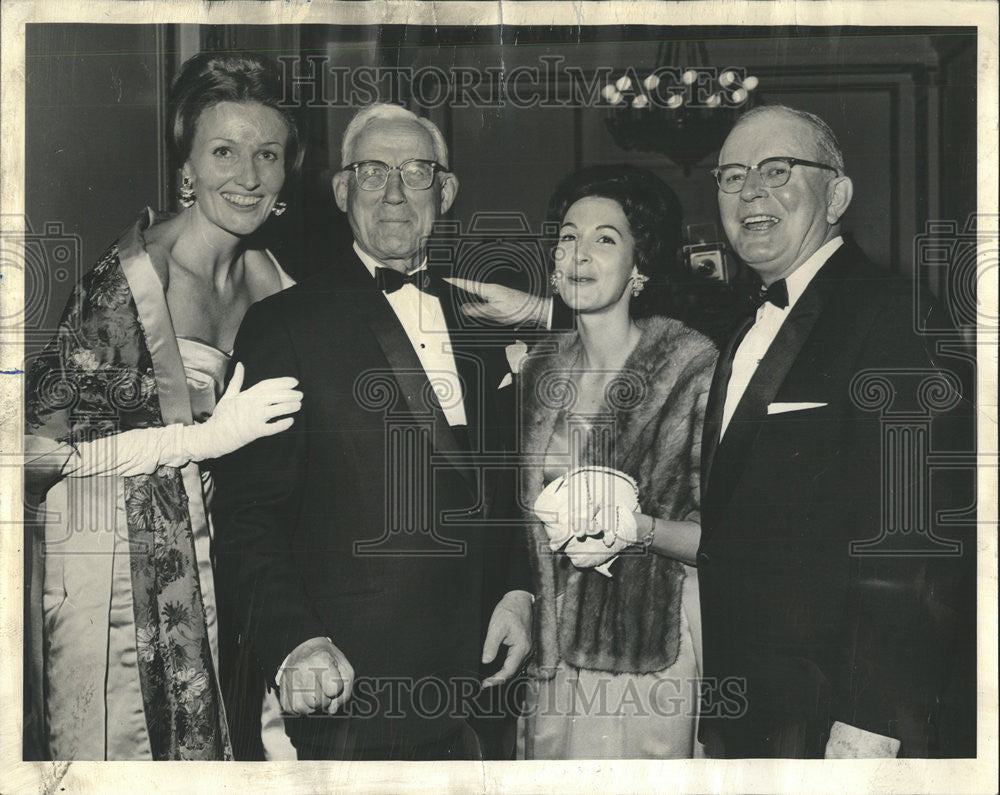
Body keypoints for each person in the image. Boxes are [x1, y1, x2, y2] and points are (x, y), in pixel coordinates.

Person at [210, 103, 534, 761]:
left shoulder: (486, 321)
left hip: (479, 692)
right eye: (372, 171)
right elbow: (246, 516)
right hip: (349, 692)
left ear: (445, 191)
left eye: (416, 172)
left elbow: (506, 485)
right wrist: (296, 641)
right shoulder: (285, 324)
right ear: (340, 190)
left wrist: (519, 590)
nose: (393, 193)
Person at [23, 51, 304, 761]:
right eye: (224, 151)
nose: (246, 176)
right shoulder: (129, 282)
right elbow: (37, 452)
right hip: (107, 563)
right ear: (188, 164)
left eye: (266, 154)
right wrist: (201, 442)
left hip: (215, 555)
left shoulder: (277, 280)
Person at [697, 104, 974, 758]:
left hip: (837, 716)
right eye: (731, 176)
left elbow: (920, 535)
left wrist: (873, 721)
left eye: (777, 169)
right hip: (754, 705)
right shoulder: (745, 328)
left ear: (837, 194)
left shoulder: (894, 315)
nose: (750, 192)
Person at [515, 165, 717, 759]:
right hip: (551, 658)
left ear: (640, 266)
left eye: (606, 238)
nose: (581, 253)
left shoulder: (691, 370)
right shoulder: (537, 372)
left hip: (650, 650)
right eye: (568, 237)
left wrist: (638, 530)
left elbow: (726, 537)